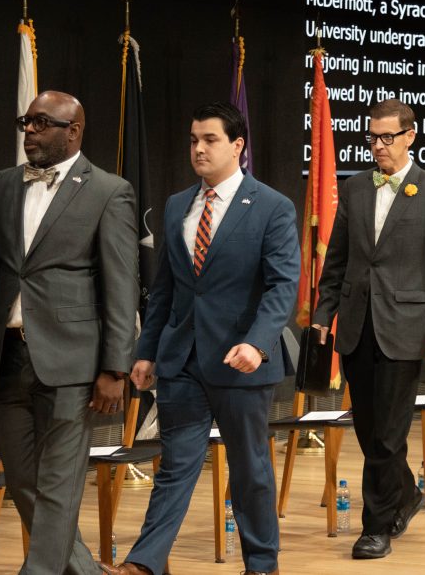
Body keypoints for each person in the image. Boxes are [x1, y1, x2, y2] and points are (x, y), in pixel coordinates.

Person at [0, 91, 139, 575]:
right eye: (25, 122)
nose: (29, 131)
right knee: (23, 479)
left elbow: (121, 286)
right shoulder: (4, 185)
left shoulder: (108, 191)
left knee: (59, 481)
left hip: (74, 362)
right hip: (10, 356)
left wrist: (115, 367)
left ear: (73, 130)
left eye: (41, 123)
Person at [105, 102, 299, 575]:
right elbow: (166, 289)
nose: (198, 148)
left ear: (237, 145)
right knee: (175, 467)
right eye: (193, 140)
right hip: (182, 361)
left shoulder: (272, 206)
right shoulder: (177, 206)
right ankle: (145, 565)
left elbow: (282, 285)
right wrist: (146, 351)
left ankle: (261, 564)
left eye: (210, 140)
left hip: (240, 361)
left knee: (250, 470)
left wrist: (257, 343)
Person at [312, 98, 425, 560]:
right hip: (357, 325)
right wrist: (322, 314)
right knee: (368, 428)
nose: (378, 146)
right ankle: (406, 492)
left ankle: (375, 527)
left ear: (410, 136)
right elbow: (336, 260)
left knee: (388, 434)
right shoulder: (356, 189)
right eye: (372, 137)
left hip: (406, 326)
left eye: (387, 137)